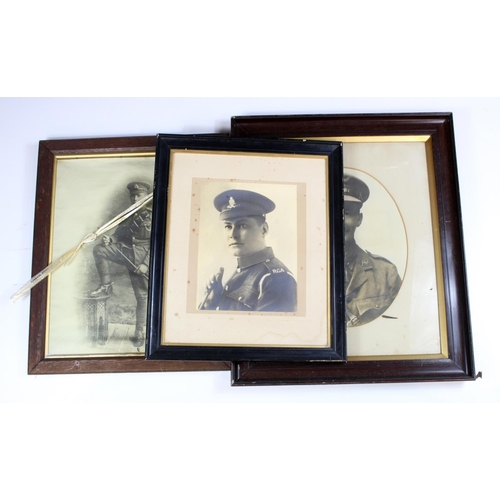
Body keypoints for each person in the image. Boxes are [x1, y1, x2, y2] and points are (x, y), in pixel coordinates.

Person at [200, 189, 297, 312]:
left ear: (264, 230)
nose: (233, 235)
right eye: (228, 226)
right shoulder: (242, 271)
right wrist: (211, 304)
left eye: (242, 225)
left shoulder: (275, 279)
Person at [90, 181, 152, 346]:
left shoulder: (155, 216)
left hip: (142, 257)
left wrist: (146, 264)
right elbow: (119, 235)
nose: (135, 198)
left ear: (147, 196)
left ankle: (140, 333)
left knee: (142, 297)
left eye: (139, 195)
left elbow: (158, 243)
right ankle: (106, 284)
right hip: (125, 252)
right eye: (133, 195)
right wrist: (111, 239)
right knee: (100, 249)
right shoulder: (129, 215)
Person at [344, 174, 402, 326]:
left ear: (359, 219)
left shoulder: (386, 272)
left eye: (347, 213)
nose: (340, 220)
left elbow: (401, 325)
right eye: (333, 212)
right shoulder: (308, 273)